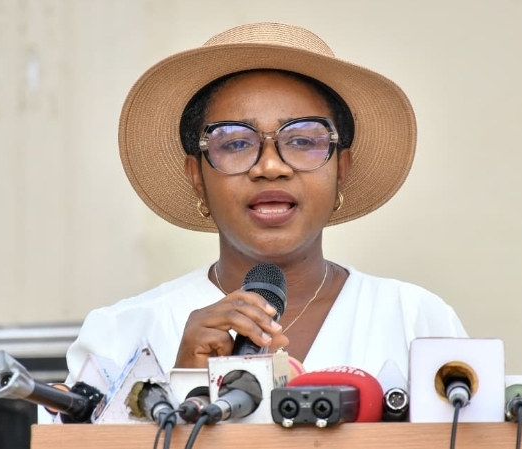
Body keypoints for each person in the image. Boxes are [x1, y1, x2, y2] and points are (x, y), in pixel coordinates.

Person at [66, 22, 467, 384]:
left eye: (303, 140)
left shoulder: (417, 322)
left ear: (341, 170)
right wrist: (183, 387)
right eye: (236, 143)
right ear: (197, 178)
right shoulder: (121, 335)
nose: (270, 167)